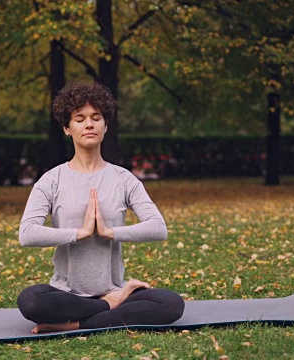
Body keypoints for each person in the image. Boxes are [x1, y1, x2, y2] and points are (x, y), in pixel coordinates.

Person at [17, 81, 184, 333]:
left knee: (171, 303)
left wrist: (109, 232)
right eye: (79, 118)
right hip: (67, 295)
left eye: (96, 117)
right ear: (66, 128)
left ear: (105, 126)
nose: (89, 124)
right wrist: (79, 233)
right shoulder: (51, 180)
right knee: (31, 300)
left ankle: (77, 323)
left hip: (115, 289)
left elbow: (158, 228)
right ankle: (109, 308)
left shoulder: (123, 178)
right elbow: (27, 233)